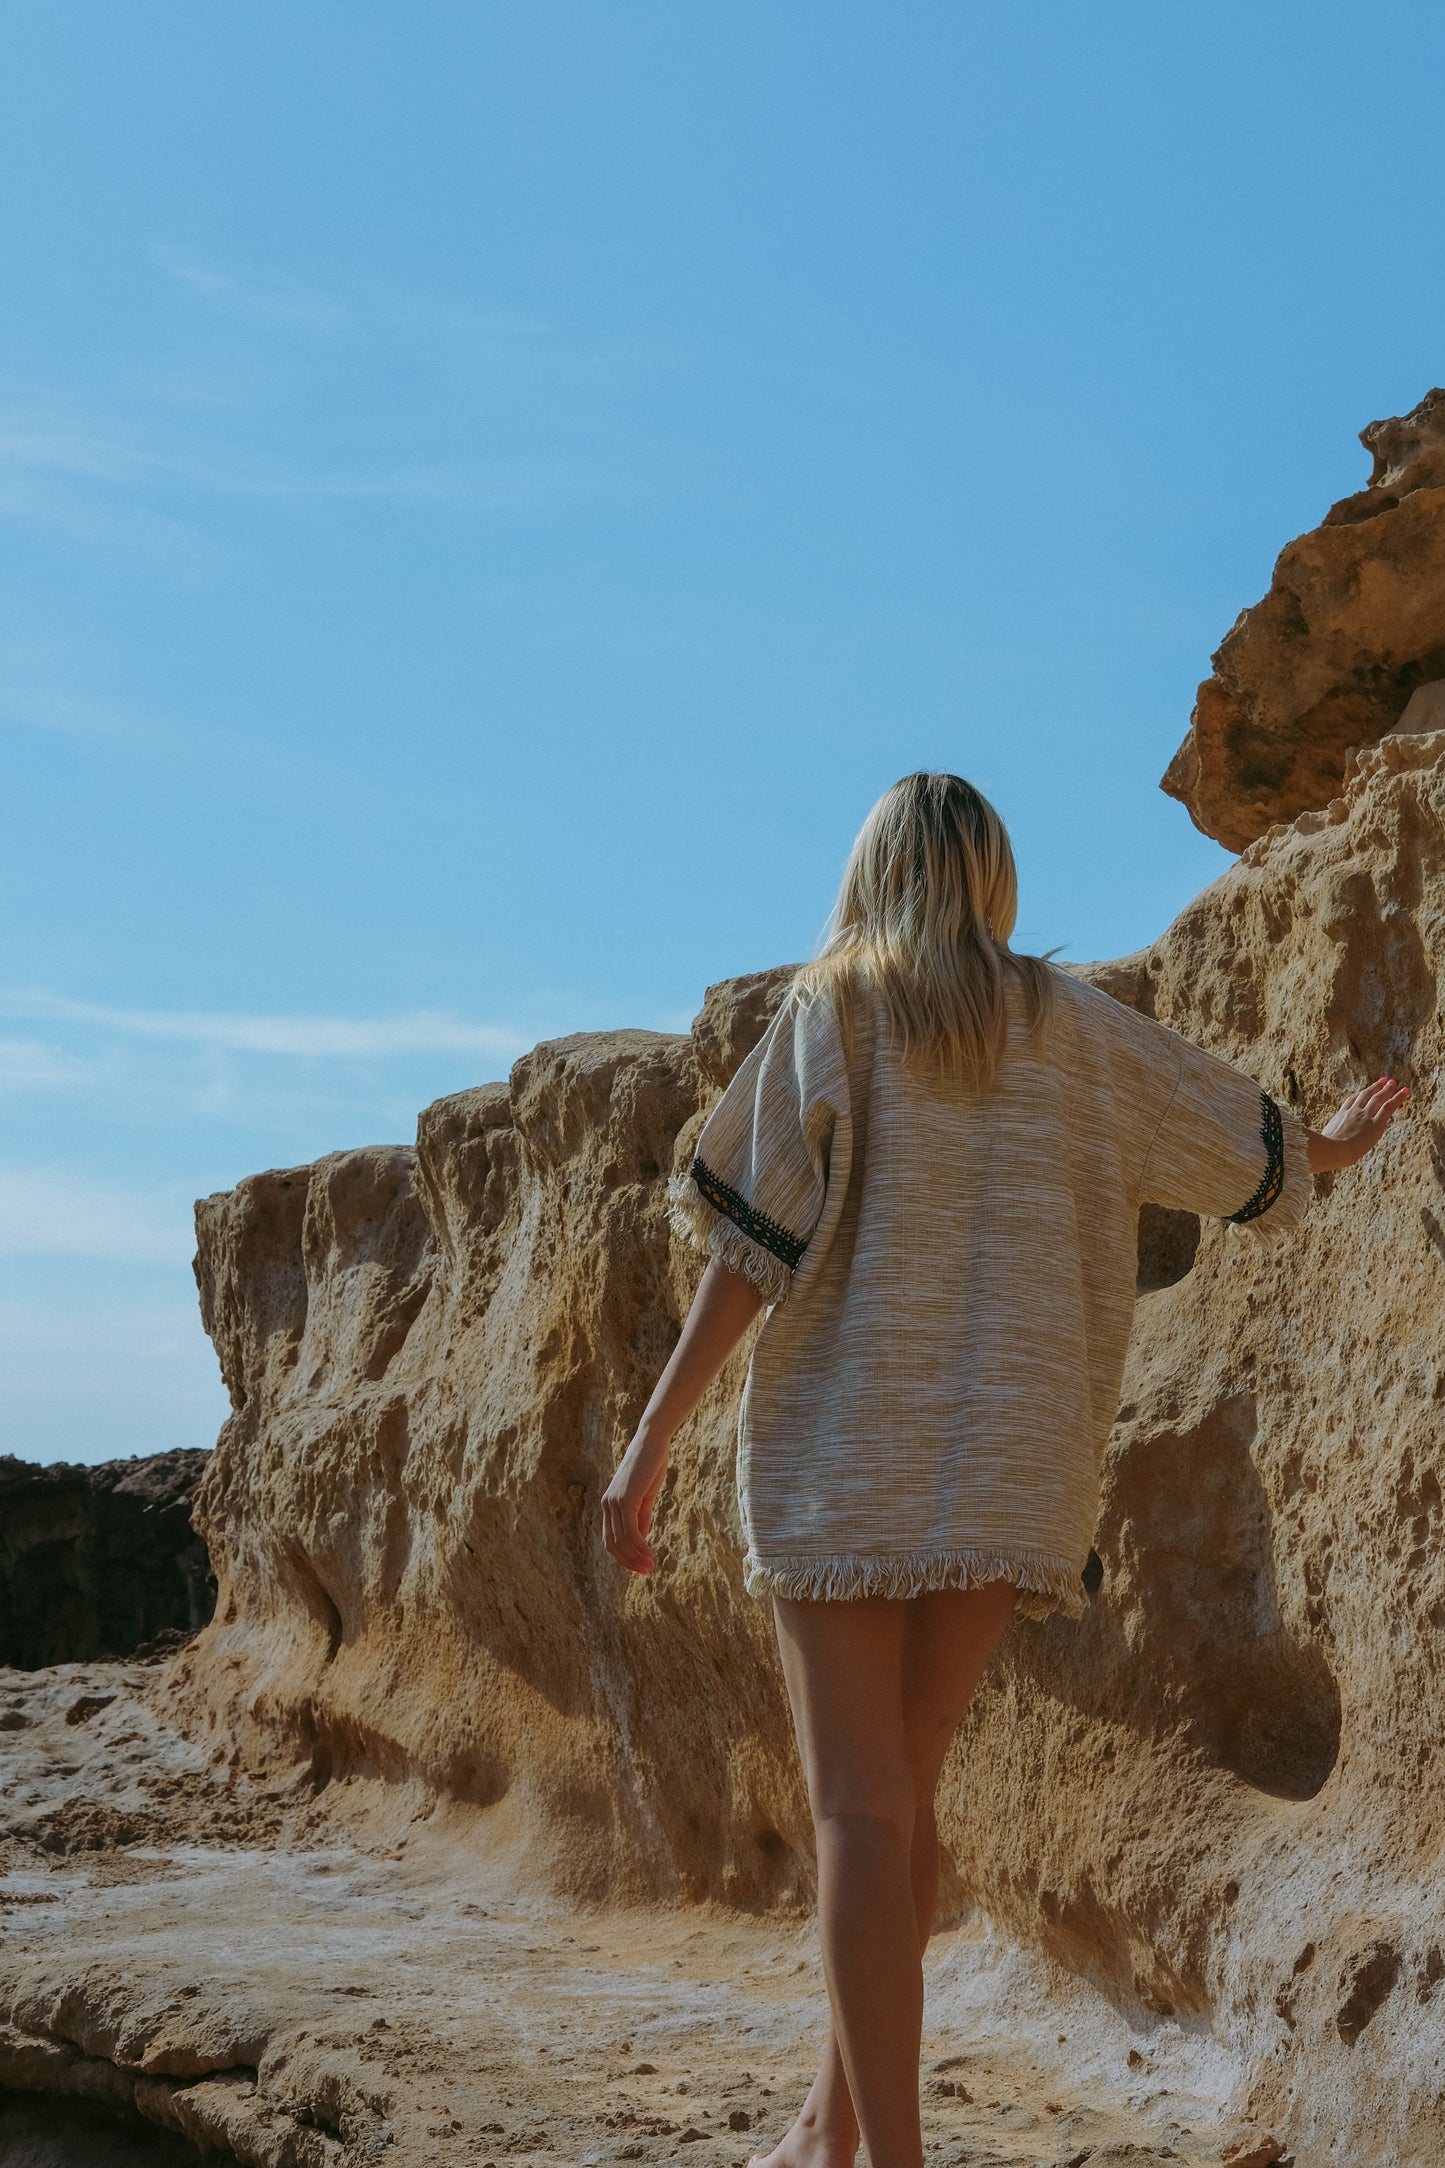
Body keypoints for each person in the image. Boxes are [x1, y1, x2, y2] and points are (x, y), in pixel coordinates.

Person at [601, 772, 1407, 2168]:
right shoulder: (1079, 1029)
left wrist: (647, 1442)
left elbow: (747, 1253)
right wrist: (1328, 1144)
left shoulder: (835, 1009)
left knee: (856, 1810)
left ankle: (884, 2162)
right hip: (1010, 1464)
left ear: (874, 870)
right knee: (897, 1804)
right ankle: (823, 2132)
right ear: (990, 876)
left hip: (847, 1456)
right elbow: (1241, 1144)